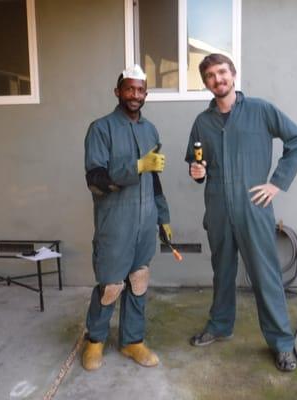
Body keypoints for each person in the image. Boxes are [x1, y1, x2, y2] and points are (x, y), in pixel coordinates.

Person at [185, 54, 297, 372]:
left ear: (234, 75)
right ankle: (220, 325)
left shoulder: (261, 110)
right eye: (210, 75)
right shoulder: (203, 121)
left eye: (222, 72)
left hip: (254, 208)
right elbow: (196, 165)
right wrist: (196, 172)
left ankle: (282, 344)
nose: (217, 79)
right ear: (205, 82)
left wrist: (276, 183)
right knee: (222, 272)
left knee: (266, 276)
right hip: (218, 208)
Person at [82, 65, 172, 370]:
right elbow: (95, 178)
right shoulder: (101, 129)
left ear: (146, 94)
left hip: (146, 222)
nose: (135, 95)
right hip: (115, 223)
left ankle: (132, 341)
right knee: (110, 286)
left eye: (141, 90)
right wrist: (135, 167)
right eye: (130, 89)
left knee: (138, 281)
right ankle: (95, 341)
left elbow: (155, 178)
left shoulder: (150, 131)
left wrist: (163, 216)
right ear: (118, 91)